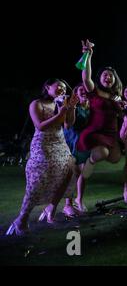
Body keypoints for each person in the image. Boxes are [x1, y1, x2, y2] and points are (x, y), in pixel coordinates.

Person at [6, 79, 78, 235]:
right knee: (37, 181)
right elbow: (41, 126)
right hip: (42, 145)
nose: (62, 88)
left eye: (64, 87)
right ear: (47, 87)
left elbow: (68, 125)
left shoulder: (61, 103)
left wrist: (71, 107)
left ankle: (51, 208)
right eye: (59, 85)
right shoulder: (36, 104)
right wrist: (62, 111)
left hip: (60, 143)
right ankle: (21, 219)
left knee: (69, 172)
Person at [77, 40, 124, 181]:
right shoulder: (94, 91)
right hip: (95, 132)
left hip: (111, 134)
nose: (108, 77)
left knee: (115, 158)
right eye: (105, 75)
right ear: (100, 78)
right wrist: (88, 55)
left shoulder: (116, 96)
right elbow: (86, 78)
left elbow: (120, 115)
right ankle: (89, 162)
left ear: (115, 80)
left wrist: (124, 110)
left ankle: (91, 159)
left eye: (111, 75)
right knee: (102, 153)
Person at [63, 84, 91, 215]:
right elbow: (68, 125)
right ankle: (67, 204)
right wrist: (72, 106)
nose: (84, 91)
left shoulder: (91, 107)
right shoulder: (72, 106)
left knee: (83, 173)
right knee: (72, 174)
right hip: (72, 141)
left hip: (85, 143)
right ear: (76, 93)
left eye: (86, 90)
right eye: (81, 90)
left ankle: (79, 199)